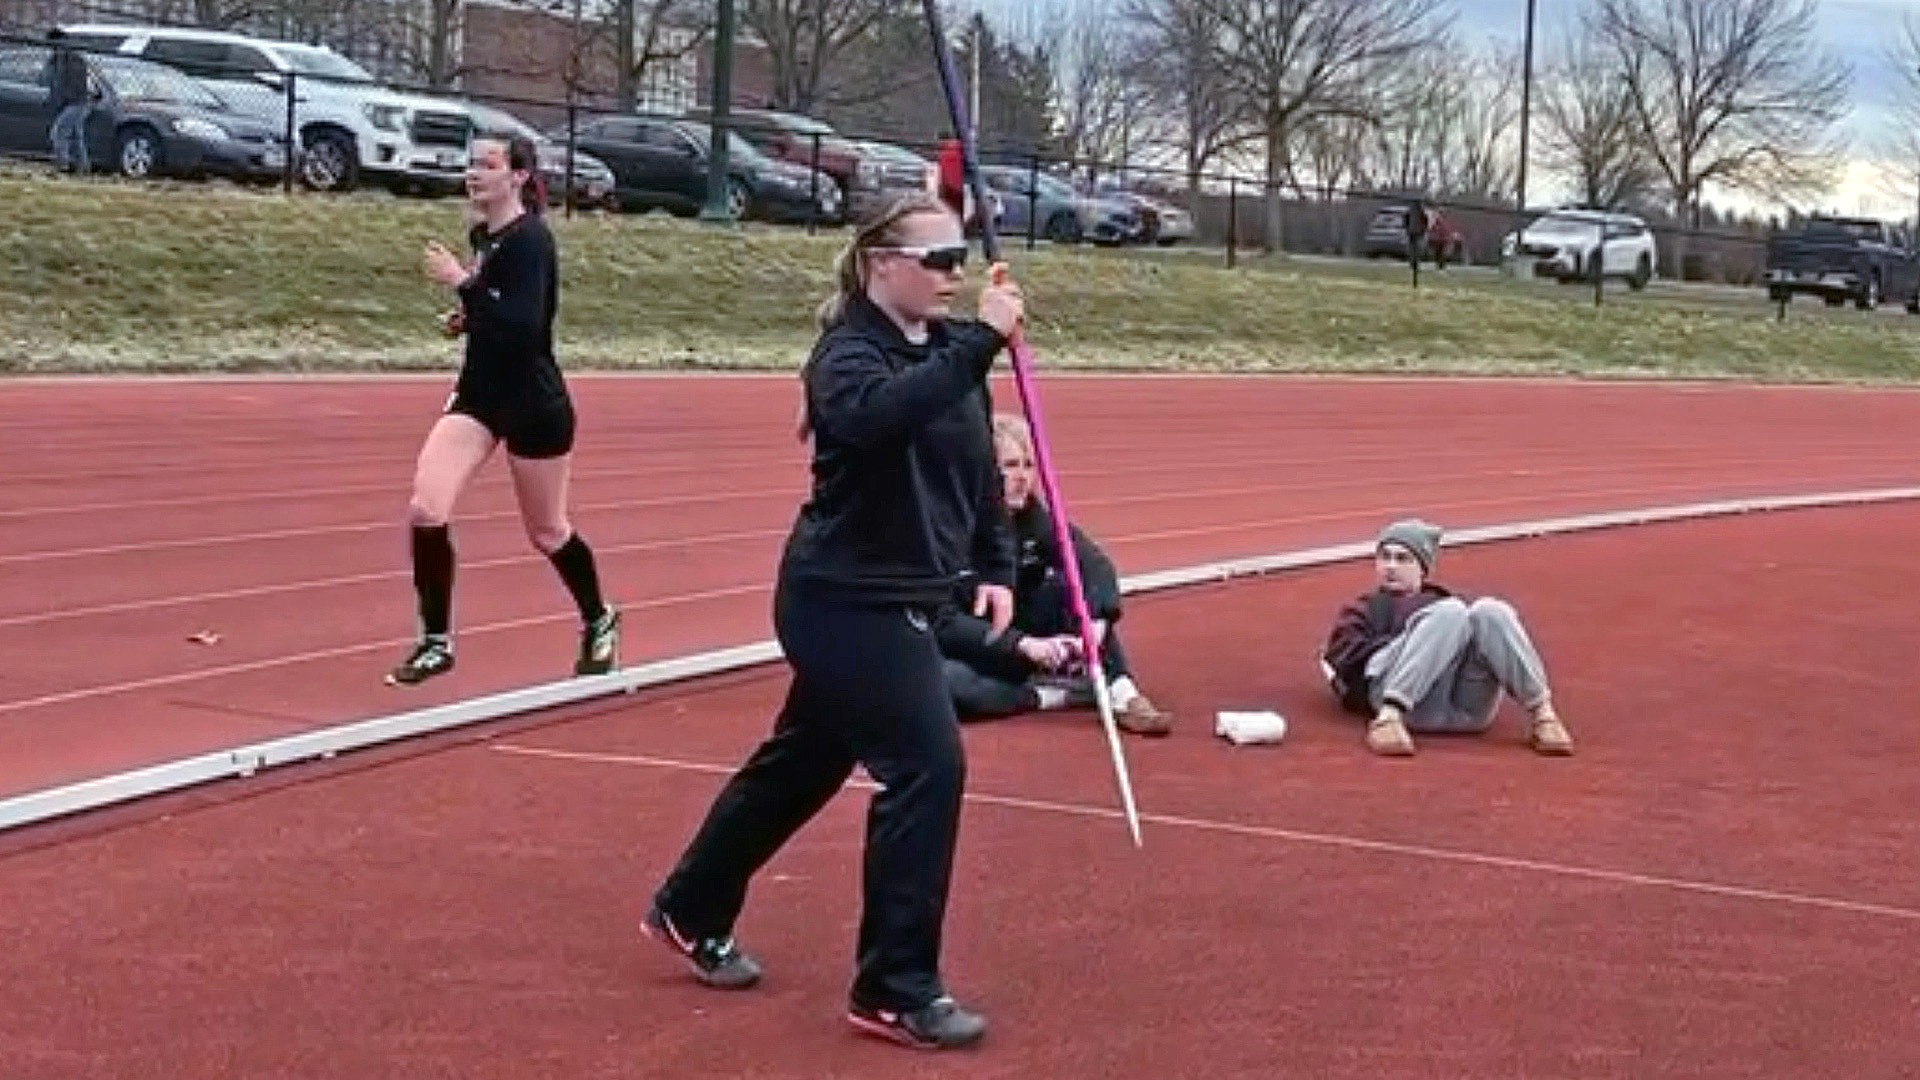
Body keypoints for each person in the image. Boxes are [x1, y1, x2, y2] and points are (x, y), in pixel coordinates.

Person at [641, 191, 1024, 1051]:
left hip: (904, 594)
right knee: (928, 766)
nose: (955, 276)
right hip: (843, 600)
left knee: (806, 761)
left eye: (961, 259)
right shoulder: (847, 355)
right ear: (883, 263)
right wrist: (985, 342)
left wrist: (995, 565)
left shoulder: (953, 351)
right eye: (939, 261)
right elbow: (882, 417)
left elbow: (976, 463)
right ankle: (893, 989)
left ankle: (691, 903)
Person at [387, 132, 619, 686]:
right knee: (426, 508)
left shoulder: (531, 241)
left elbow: (524, 327)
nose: (474, 174)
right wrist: (467, 319)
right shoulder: (483, 237)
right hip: (480, 396)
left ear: (516, 177)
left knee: (547, 531)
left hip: (533, 401)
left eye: (487, 165)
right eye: (470, 165)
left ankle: (598, 617)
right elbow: (495, 311)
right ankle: (435, 641)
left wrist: (463, 286)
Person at [937, 413, 1171, 735]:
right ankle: (1051, 695)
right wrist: (1022, 645)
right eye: (1010, 465)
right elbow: (941, 621)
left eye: (1028, 465)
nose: (1022, 477)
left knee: (1073, 591)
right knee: (943, 682)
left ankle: (1121, 692)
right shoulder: (950, 526)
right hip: (973, 644)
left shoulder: (1034, 518)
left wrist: (1096, 623)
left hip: (1022, 630)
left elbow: (1092, 564)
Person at [1318, 519, 1575, 757]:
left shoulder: (1448, 605)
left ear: (1423, 567)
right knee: (1451, 613)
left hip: (1466, 710)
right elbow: (1344, 661)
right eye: (1385, 557)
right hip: (1401, 704)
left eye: (1402, 559)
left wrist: (1450, 643)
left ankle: (1544, 716)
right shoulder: (1364, 609)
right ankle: (1388, 718)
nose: (1391, 567)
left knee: (1489, 610)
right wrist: (1411, 643)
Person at [44, 28, 92, 175]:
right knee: (76, 135)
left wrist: (60, 99)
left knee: (59, 132)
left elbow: (73, 85)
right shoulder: (58, 59)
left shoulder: (71, 59)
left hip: (77, 103)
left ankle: (62, 165)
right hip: (75, 103)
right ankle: (82, 166)